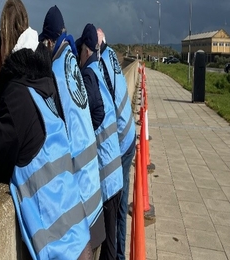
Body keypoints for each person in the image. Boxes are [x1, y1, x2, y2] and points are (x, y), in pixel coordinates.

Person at [0, 0, 93, 258]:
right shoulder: (42, 82)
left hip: (60, 249)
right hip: (78, 235)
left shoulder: (17, 95)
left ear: (4, 43)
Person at [39, 5, 105, 257]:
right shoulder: (74, 67)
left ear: (47, 42)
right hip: (94, 191)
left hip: (81, 208)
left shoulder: (55, 74)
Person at [76, 23, 123, 260]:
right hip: (115, 171)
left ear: (85, 50)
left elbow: (97, 115)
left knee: (108, 247)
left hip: (107, 175)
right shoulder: (101, 69)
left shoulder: (89, 75)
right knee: (111, 240)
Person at [97, 28, 136, 260]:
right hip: (129, 136)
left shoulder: (101, 66)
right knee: (120, 205)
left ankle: (119, 255)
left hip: (122, 143)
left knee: (118, 205)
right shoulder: (112, 56)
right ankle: (119, 252)